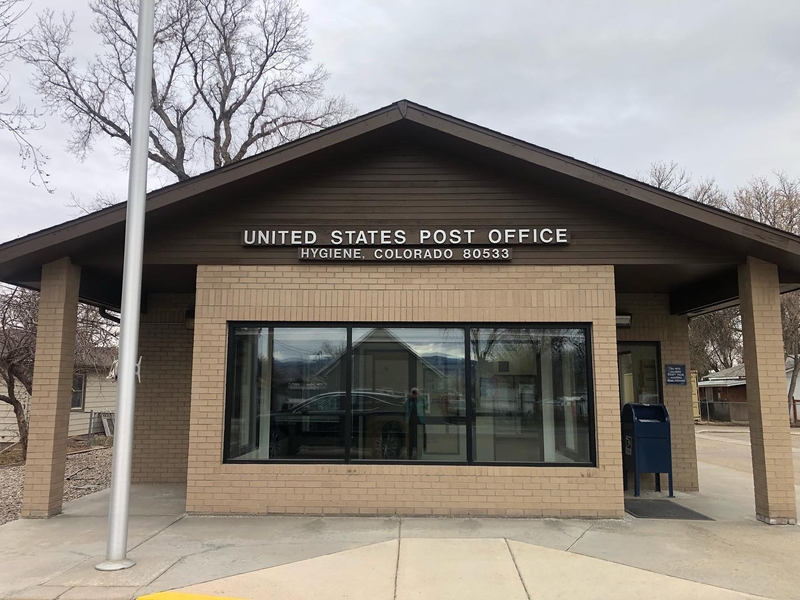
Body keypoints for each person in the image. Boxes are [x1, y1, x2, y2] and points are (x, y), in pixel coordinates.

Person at [405, 387, 425, 460]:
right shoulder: (409, 400)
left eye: (415, 392)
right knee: (411, 437)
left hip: (420, 420)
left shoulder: (421, 399)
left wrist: (419, 396)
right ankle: (410, 454)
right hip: (411, 421)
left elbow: (426, 406)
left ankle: (420, 452)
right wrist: (409, 398)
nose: (414, 394)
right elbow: (406, 407)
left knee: (419, 437)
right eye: (413, 392)